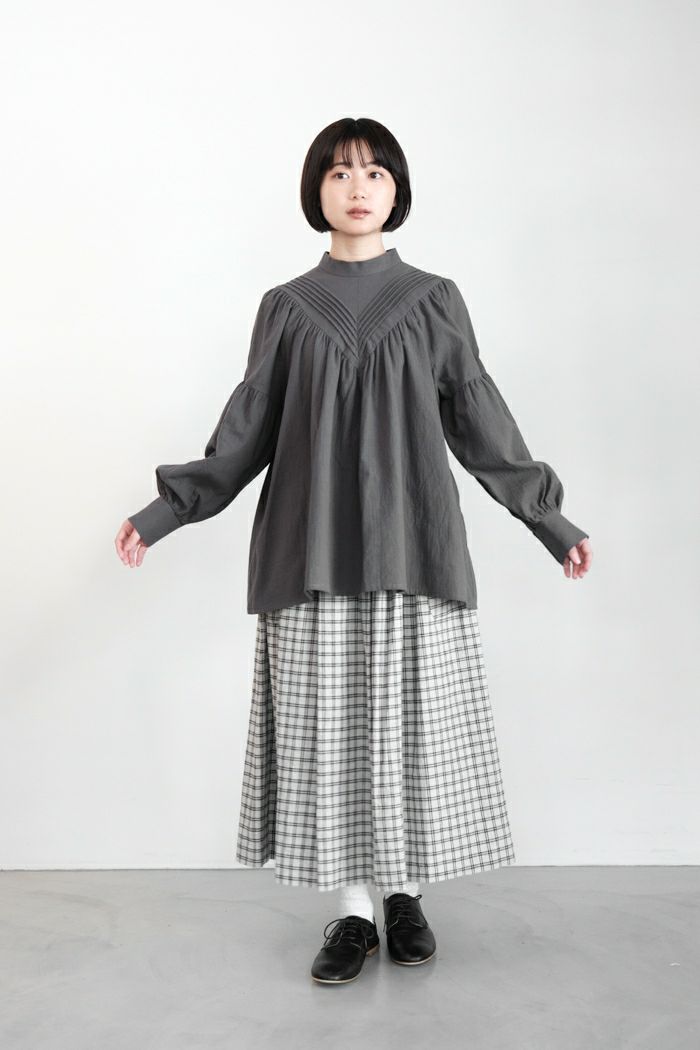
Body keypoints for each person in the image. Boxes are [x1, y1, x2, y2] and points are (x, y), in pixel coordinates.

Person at [116, 117, 593, 986]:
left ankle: (406, 896)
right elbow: (246, 429)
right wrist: (163, 512)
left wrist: (548, 520)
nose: (358, 186)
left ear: (397, 190)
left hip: (414, 546)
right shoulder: (287, 308)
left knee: (409, 730)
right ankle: (352, 913)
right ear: (317, 191)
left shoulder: (435, 300)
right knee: (327, 738)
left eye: (375, 172)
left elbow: (480, 420)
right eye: (339, 173)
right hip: (310, 555)